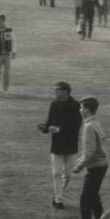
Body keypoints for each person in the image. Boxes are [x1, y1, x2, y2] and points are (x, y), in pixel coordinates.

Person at [37, 81, 82, 210]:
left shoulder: (75, 106)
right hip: (57, 145)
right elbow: (49, 122)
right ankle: (58, 199)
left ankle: (58, 195)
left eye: (57, 90)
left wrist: (57, 129)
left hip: (70, 145)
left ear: (65, 91)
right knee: (56, 173)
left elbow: (76, 127)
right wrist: (44, 128)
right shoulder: (54, 104)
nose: (55, 92)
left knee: (67, 174)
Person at [72, 97, 107, 219]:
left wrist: (78, 167)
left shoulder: (88, 127)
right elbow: (95, 148)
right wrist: (81, 160)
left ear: (86, 109)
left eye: (81, 108)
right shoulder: (95, 123)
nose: (80, 110)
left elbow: (90, 152)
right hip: (101, 164)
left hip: (96, 166)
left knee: (85, 199)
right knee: (93, 198)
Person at [0, 14, 16, 93]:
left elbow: (13, 41)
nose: (0, 22)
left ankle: (5, 88)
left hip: (7, 54)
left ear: (4, 21)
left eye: (2, 20)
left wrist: (14, 51)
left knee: (6, 72)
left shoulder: (8, 30)